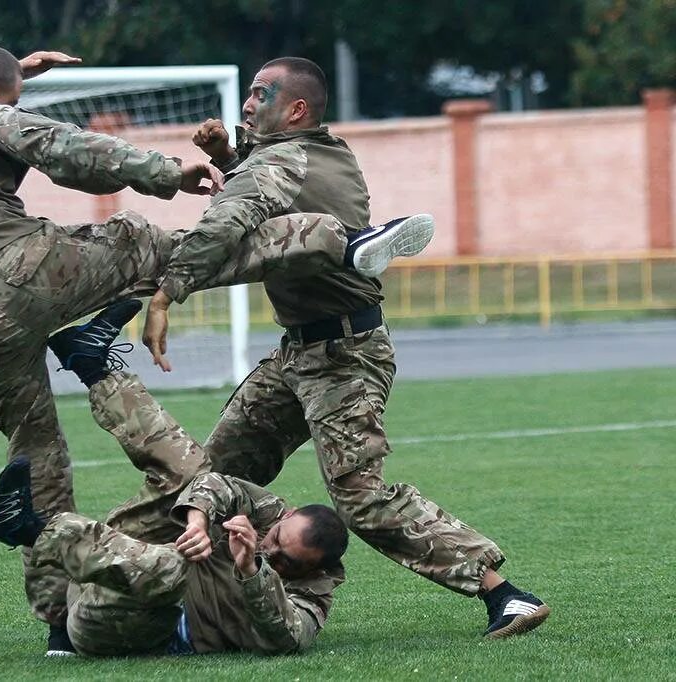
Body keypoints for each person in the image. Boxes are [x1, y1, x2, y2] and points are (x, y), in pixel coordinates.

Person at [0, 42, 434, 653]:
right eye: (8, 96)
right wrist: (169, 173)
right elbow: (66, 149)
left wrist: (16, 73)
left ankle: (58, 622)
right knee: (149, 244)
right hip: (15, 273)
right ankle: (339, 241)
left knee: (33, 451)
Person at [141, 57, 549, 639]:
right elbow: (267, 189)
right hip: (299, 354)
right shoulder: (324, 153)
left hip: (343, 356)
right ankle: (171, 603)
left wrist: (167, 290)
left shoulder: (285, 159)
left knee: (359, 498)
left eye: (262, 94)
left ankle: (504, 595)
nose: (248, 104)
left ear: (297, 109)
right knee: (214, 477)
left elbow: (233, 217)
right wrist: (230, 159)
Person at [0, 316, 350, 656]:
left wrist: (254, 571)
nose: (271, 551)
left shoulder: (313, 595)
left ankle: (29, 529)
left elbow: (285, 638)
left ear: (314, 571)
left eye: (288, 561)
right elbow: (214, 484)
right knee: (191, 472)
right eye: (276, 539)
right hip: (110, 567)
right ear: (287, 515)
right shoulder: (268, 512)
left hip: (121, 624)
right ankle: (91, 366)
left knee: (174, 571)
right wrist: (198, 521)